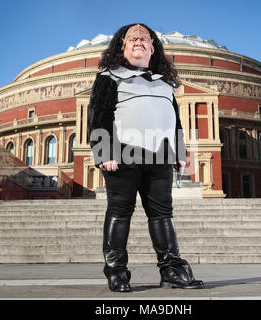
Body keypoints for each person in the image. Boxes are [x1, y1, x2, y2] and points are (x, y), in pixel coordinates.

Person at [87, 23, 204, 292]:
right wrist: (105, 152)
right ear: (122, 47)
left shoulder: (165, 83)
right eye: (132, 39)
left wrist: (179, 151)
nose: (138, 41)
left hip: (160, 155)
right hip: (123, 154)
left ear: (153, 47)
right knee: (120, 211)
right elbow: (98, 116)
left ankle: (172, 269)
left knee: (163, 213)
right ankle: (116, 271)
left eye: (144, 38)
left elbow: (174, 120)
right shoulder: (109, 76)